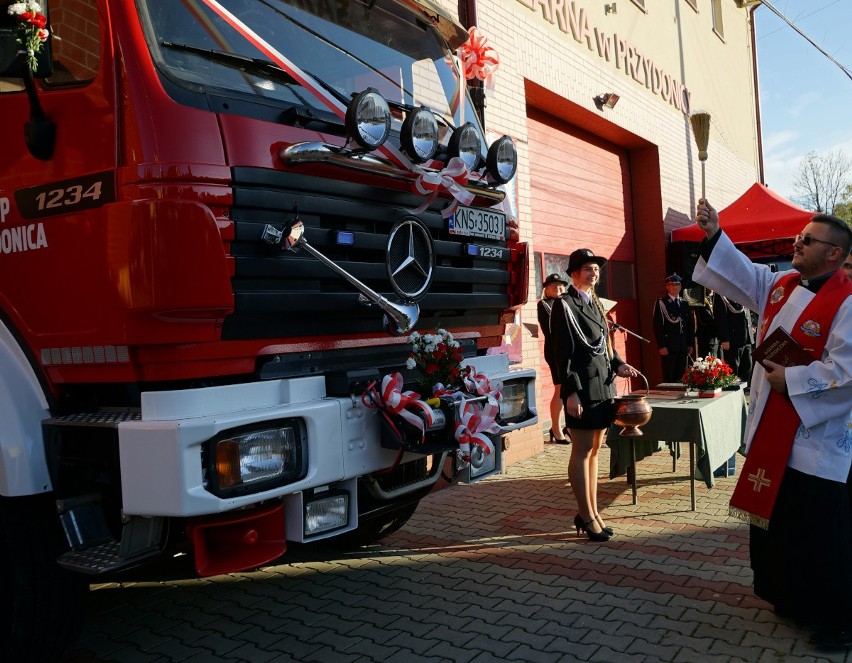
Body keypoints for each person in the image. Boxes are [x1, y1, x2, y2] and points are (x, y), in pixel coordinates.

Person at [693, 200, 852, 650]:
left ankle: (839, 620)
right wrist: (714, 233)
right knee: (781, 527)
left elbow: (848, 370)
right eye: (800, 236)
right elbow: (743, 275)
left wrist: (794, 379)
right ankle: (792, 598)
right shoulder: (781, 284)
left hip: (815, 444)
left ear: (834, 254)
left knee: (823, 536)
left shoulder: (847, 303)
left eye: (808, 239)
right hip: (772, 435)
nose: (797, 243)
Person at [550, 248, 639, 541]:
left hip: (603, 386)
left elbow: (603, 347)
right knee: (582, 449)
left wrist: (620, 364)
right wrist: (571, 392)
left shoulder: (595, 304)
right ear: (574, 274)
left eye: (596, 269)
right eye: (588, 269)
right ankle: (585, 515)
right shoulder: (564, 305)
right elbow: (561, 353)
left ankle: (593, 511)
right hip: (583, 389)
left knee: (596, 449)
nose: (594, 273)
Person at [537, 273, 570, 443]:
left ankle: (570, 427)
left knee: (570, 389)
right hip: (555, 351)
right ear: (546, 289)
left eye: (561, 285)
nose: (558, 288)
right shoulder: (545, 304)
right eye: (554, 286)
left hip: (569, 350)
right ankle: (556, 429)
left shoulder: (565, 302)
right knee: (560, 389)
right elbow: (554, 328)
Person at [652, 273, 694, 382]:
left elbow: (689, 325)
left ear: (681, 287)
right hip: (669, 346)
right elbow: (658, 325)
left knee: (682, 375)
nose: (675, 287)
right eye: (671, 284)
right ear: (667, 287)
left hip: (682, 346)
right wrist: (662, 345)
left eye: (677, 284)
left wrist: (690, 344)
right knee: (670, 375)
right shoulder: (662, 302)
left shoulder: (684, 303)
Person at [713, 292, 755, 382]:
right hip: (733, 339)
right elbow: (720, 318)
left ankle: (743, 392)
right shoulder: (721, 294)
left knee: (748, 367)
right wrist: (724, 339)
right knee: (733, 370)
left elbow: (748, 312)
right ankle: (734, 393)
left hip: (747, 338)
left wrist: (752, 327)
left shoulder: (741, 292)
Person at [693, 289, 719, 358]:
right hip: (707, 338)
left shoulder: (716, 297)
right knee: (710, 365)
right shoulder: (701, 298)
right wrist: (720, 325)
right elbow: (704, 319)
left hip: (717, 338)